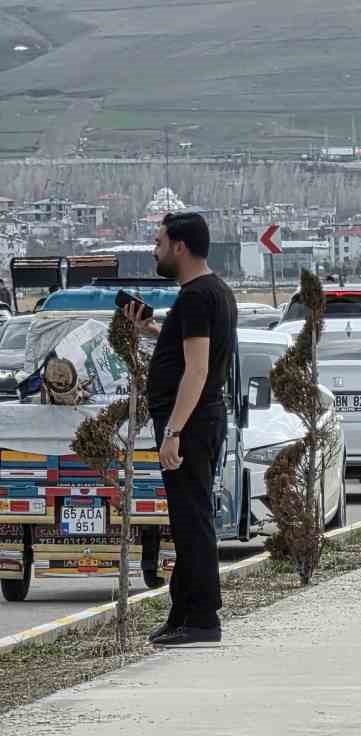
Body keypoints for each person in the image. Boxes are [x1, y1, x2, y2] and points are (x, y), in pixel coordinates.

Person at [123, 212, 237, 646]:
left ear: (179, 247)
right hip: (198, 419)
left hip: (189, 423)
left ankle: (203, 618)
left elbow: (198, 370)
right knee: (188, 519)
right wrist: (152, 330)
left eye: (158, 242)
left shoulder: (195, 297)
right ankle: (183, 612)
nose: (155, 250)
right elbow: (189, 354)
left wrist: (172, 432)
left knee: (193, 521)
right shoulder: (213, 291)